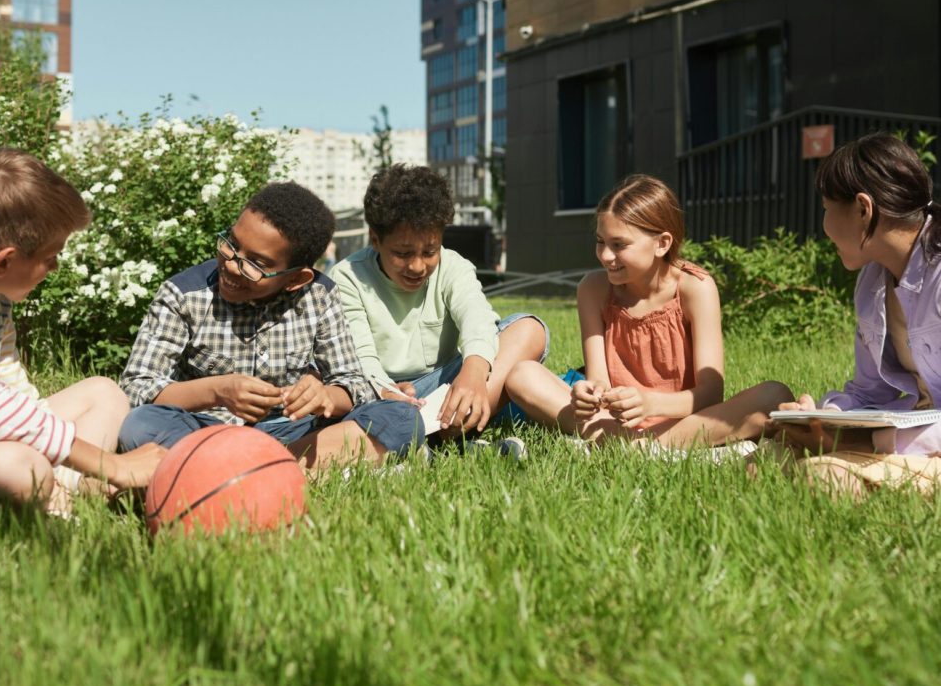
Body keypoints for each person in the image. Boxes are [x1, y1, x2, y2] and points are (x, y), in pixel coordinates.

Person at [0, 148, 164, 508]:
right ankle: (66, 494)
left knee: (103, 393)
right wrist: (112, 464)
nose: (55, 267)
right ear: (5, 261)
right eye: (50, 257)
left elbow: (12, 394)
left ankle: (69, 488)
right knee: (16, 468)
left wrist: (58, 450)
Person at [291, 164, 548, 469]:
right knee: (366, 403)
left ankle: (437, 434)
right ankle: (433, 437)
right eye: (402, 254)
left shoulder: (454, 267)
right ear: (375, 240)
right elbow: (358, 357)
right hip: (380, 395)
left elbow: (477, 320)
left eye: (429, 252)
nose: (417, 267)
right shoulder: (347, 278)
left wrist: (474, 372)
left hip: (448, 389)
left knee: (528, 329)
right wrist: (386, 389)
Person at [504, 175, 787, 447]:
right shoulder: (592, 289)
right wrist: (590, 394)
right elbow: (598, 377)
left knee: (773, 396)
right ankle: (642, 445)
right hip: (614, 420)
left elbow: (711, 394)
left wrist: (650, 402)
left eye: (619, 245)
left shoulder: (695, 288)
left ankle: (624, 444)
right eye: (601, 241)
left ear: (662, 243)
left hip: (683, 419)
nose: (605, 255)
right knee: (522, 374)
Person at [117, 181, 375, 453]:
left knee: (396, 416)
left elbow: (355, 385)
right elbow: (136, 389)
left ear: (297, 279)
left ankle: (240, 464)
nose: (231, 265)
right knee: (141, 424)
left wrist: (325, 397)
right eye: (231, 244)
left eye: (256, 264)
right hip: (205, 428)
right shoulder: (183, 295)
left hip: (290, 427)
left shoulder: (320, 296)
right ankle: (277, 463)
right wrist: (217, 392)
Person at [766, 133, 941, 496]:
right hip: (910, 437)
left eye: (827, 207)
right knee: (772, 456)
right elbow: (867, 390)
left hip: (922, 442)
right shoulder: (873, 281)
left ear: (863, 208)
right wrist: (820, 415)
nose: (823, 223)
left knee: (822, 474)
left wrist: (864, 442)